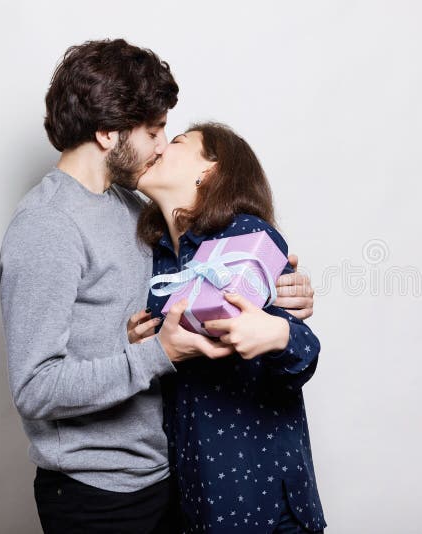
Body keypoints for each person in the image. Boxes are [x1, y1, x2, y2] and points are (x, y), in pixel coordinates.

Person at [0, 39, 315, 533]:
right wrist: (156, 353)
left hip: (171, 478)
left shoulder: (135, 211)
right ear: (107, 133)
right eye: (154, 129)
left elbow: (204, 284)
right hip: (96, 494)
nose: (163, 143)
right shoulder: (47, 225)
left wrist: (278, 291)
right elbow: (36, 387)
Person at [134, 122, 326, 533]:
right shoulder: (158, 259)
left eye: (178, 141)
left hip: (262, 497)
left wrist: (276, 334)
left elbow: (304, 352)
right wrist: (140, 342)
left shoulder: (247, 236)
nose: (161, 146)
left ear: (212, 169)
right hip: (192, 497)